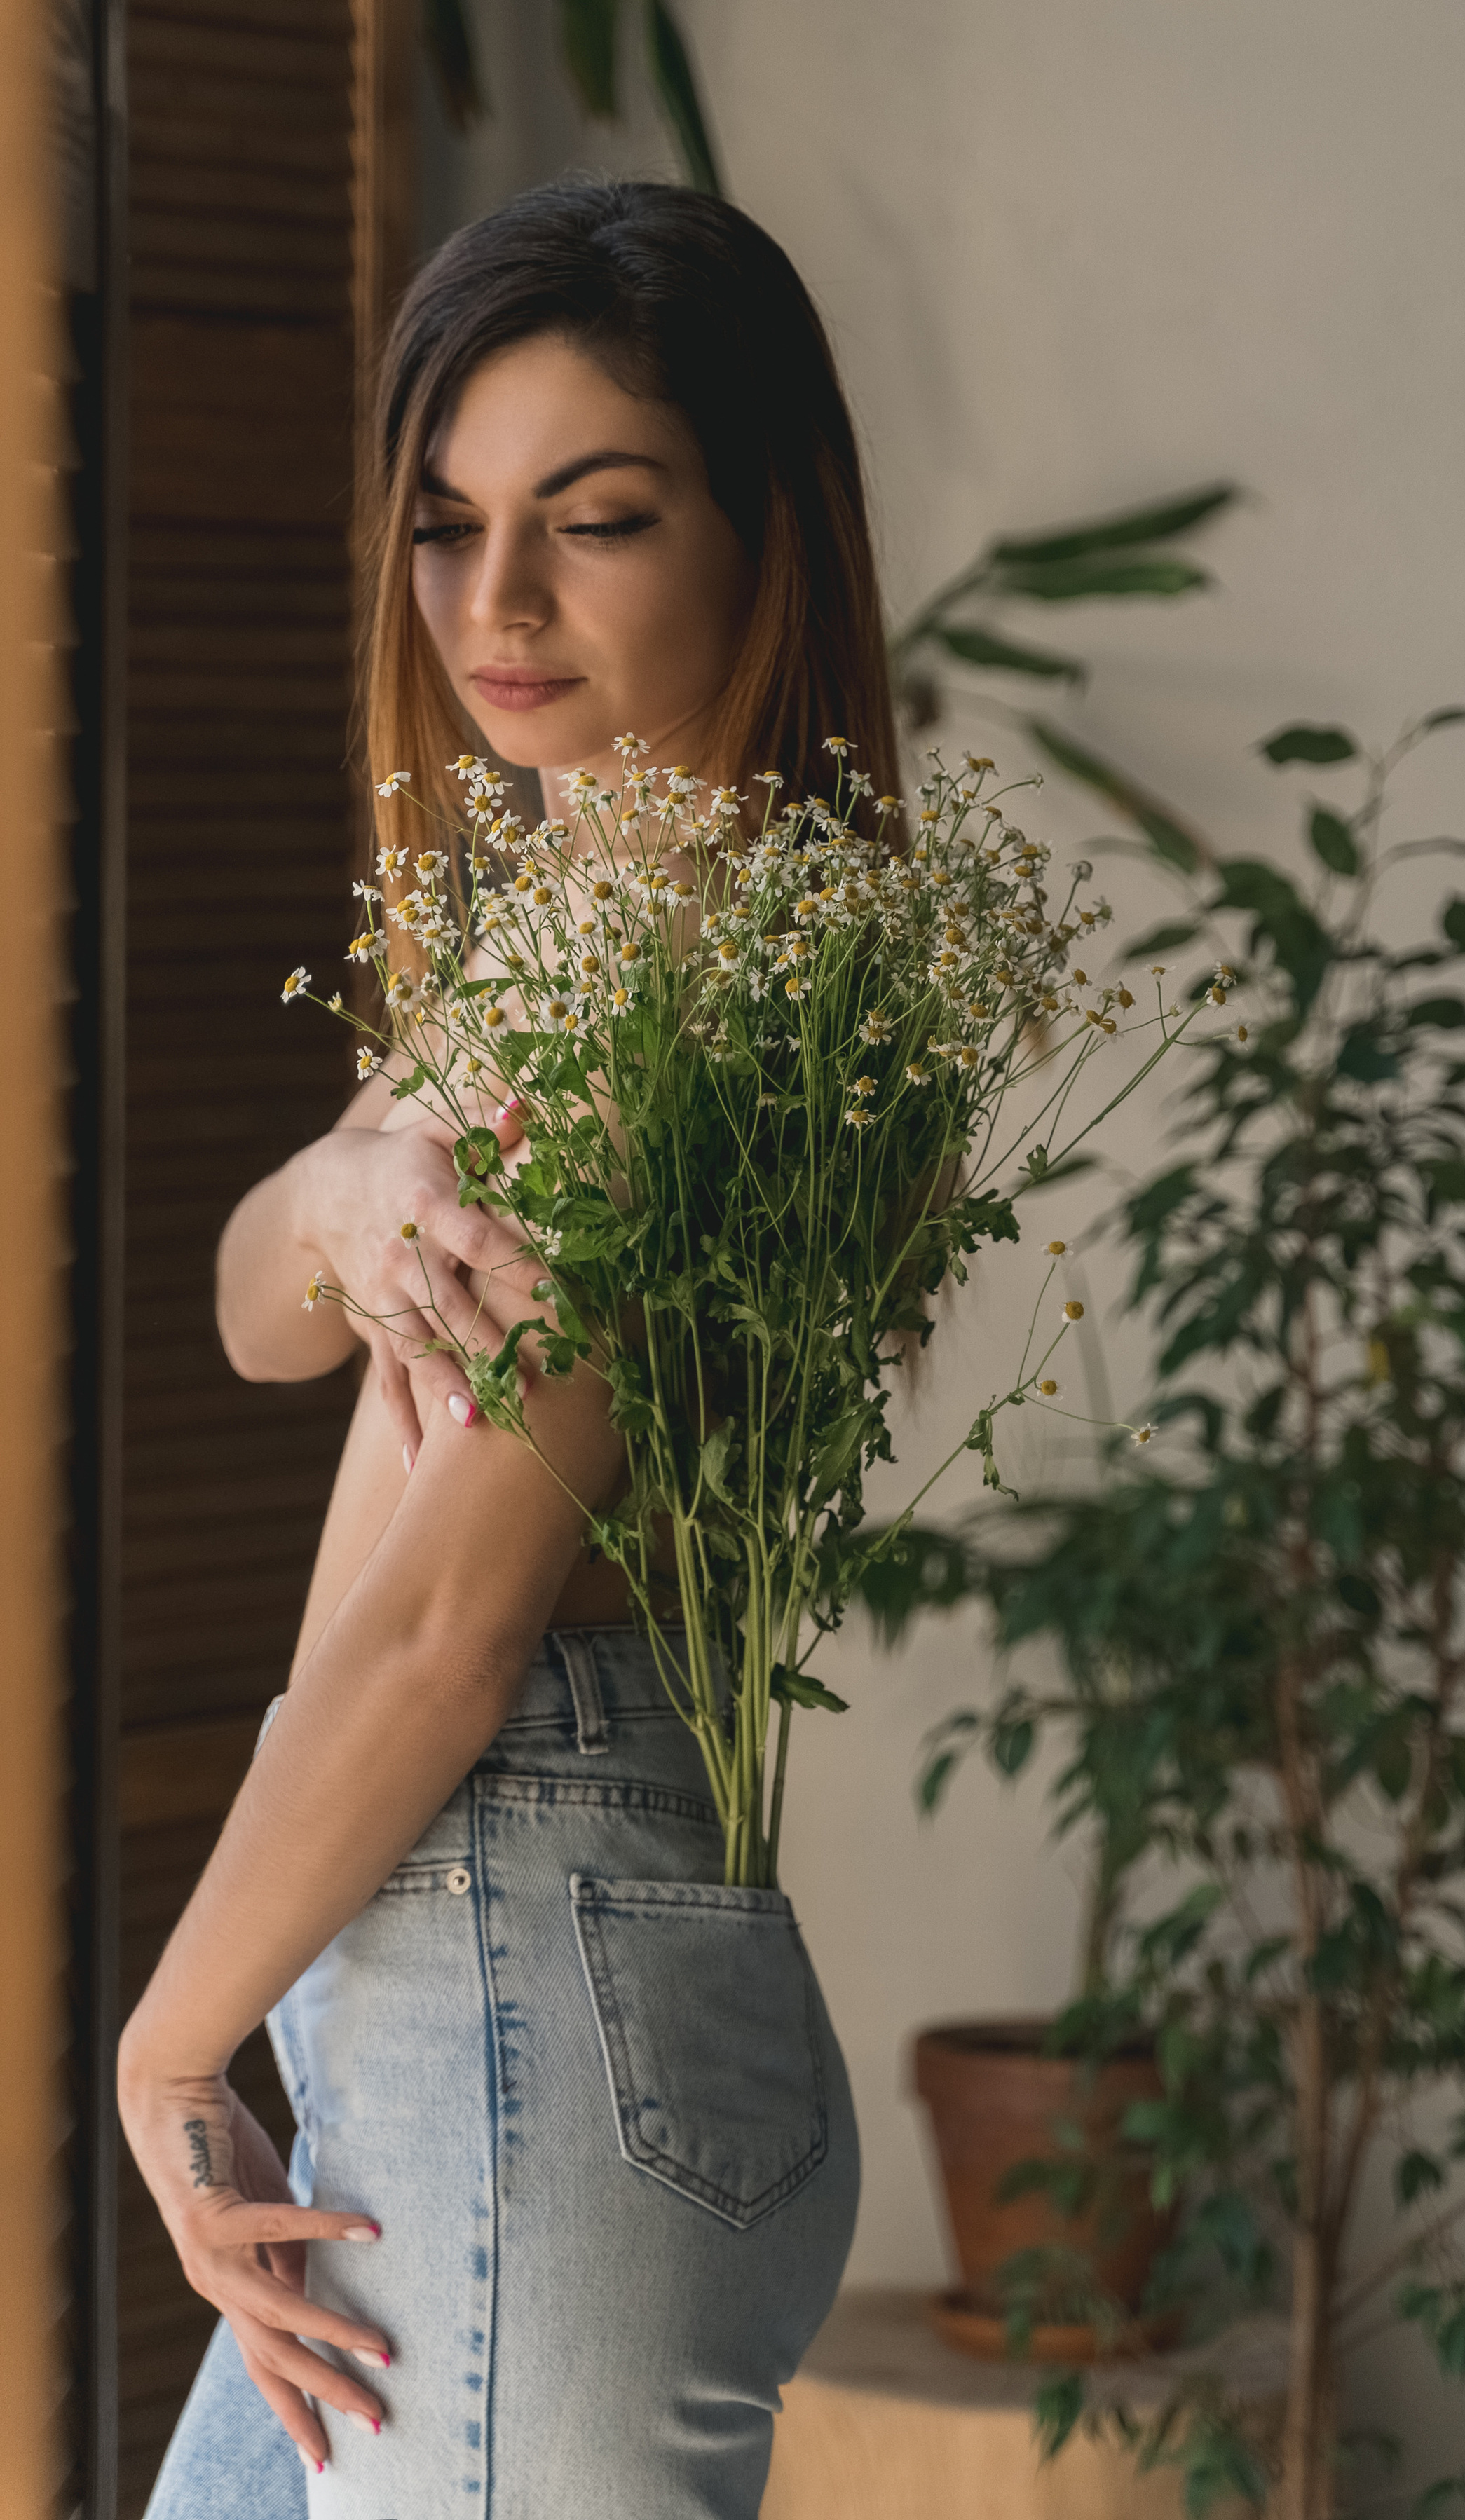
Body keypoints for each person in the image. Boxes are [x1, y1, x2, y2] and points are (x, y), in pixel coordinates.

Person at [123, 177, 897, 2519]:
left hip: (519, 1965)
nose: (500, 604)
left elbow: (457, 1623)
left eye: (599, 519)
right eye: (450, 525)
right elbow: (261, 1310)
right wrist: (356, 1188)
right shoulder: (583, 926)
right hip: (467, 1971)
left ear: (764, 533)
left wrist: (169, 2040)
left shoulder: (704, 994)